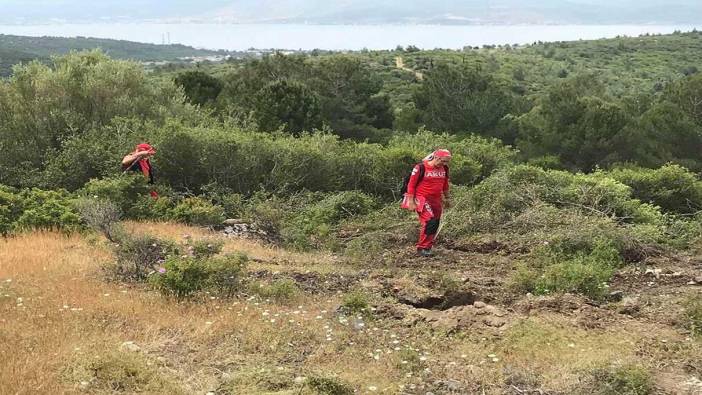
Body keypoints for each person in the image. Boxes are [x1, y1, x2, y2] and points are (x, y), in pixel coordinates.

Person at [401, 149, 452, 257]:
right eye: (443, 161)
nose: (445, 164)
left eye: (446, 162)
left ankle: (428, 246)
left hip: (436, 200)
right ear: (436, 158)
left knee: (436, 222)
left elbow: (445, 184)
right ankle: (422, 247)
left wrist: (447, 198)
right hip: (422, 199)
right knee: (430, 221)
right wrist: (411, 201)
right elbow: (411, 185)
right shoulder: (421, 167)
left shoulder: (444, 169)